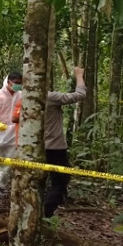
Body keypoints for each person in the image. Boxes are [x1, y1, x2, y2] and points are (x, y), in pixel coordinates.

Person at [42, 67, 86, 217]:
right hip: (55, 147)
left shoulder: (23, 98)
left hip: (34, 146)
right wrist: (79, 75)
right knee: (60, 182)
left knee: (39, 181)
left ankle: (37, 211)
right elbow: (80, 94)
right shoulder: (50, 97)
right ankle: (45, 214)